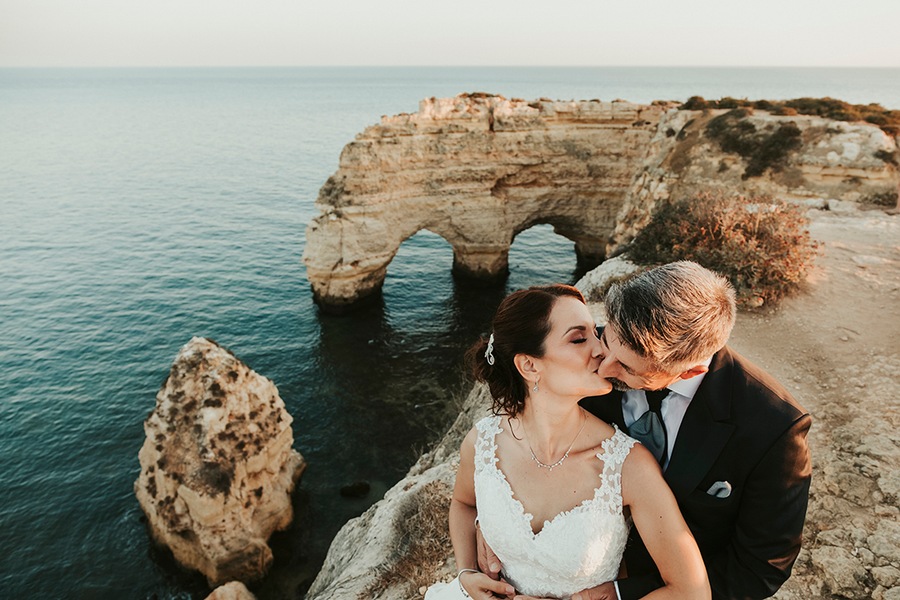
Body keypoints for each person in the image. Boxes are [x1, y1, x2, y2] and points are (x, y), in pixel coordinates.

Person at [478, 262, 813, 600]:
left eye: (625, 367)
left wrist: (625, 593)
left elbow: (760, 568)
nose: (603, 366)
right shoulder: (589, 357)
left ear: (688, 371)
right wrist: (497, 523)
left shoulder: (773, 429)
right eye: (606, 337)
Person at [425, 284, 710, 600]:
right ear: (530, 366)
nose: (601, 350)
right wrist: (467, 573)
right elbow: (464, 504)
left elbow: (692, 592)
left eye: (595, 333)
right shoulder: (483, 442)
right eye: (579, 339)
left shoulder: (627, 465)